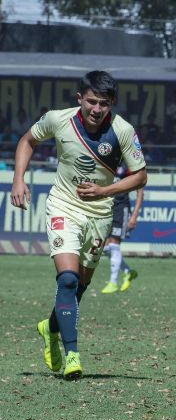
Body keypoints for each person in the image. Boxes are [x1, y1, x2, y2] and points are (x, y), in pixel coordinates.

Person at [11, 71, 147, 379]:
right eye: (91, 102)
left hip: (100, 213)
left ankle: (50, 327)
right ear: (79, 99)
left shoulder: (123, 130)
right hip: (63, 206)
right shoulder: (58, 120)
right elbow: (28, 139)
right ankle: (72, 354)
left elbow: (140, 175)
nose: (97, 109)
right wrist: (18, 178)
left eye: (104, 103)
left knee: (80, 286)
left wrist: (104, 191)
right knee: (68, 280)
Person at [101, 164, 144, 294]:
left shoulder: (128, 165)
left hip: (121, 208)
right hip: (106, 207)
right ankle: (128, 272)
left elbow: (140, 191)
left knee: (114, 244)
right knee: (104, 248)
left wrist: (134, 215)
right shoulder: (106, 160)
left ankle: (113, 282)